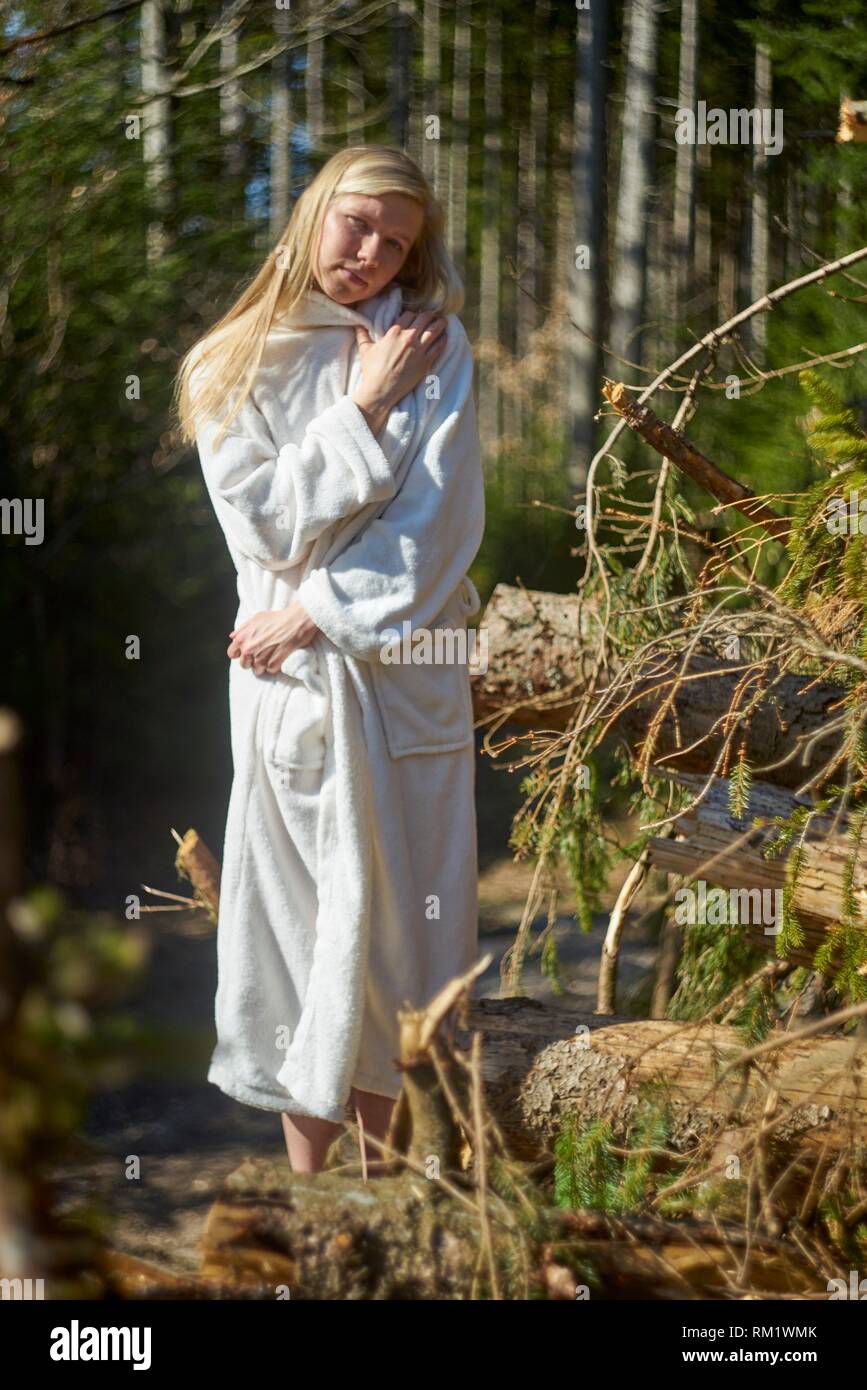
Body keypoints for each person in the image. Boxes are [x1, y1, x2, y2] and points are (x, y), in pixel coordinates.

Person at [173, 145, 485, 1176]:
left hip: (401, 685)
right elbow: (261, 521)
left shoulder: (434, 344)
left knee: (408, 956)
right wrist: (363, 410)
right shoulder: (230, 361)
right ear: (314, 210)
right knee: (306, 949)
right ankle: (318, 1226)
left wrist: (316, 610)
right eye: (357, 223)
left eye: (396, 241)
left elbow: (438, 528)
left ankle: (396, 1214)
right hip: (292, 705)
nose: (371, 252)